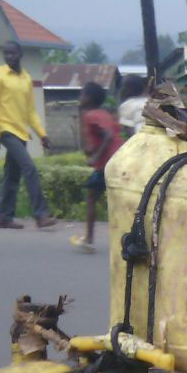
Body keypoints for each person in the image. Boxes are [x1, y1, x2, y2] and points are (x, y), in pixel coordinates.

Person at [0, 41, 56, 230]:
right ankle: (41, 214)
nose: (9, 57)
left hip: (22, 133)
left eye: (12, 54)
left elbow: (30, 112)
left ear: (20, 54)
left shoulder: (26, 78)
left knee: (12, 176)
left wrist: (42, 134)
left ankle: (3, 217)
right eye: (6, 54)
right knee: (29, 167)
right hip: (6, 130)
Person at [70, 81, 124, 254]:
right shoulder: (102, 114)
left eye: (82, 94)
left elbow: (108, 136)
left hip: (107, 165)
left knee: (92, 198)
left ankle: (89, 239)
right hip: (119, 161)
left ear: (89, 98)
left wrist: (96, 156)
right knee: (120, 202)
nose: (80, 98)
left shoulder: (92, 115)